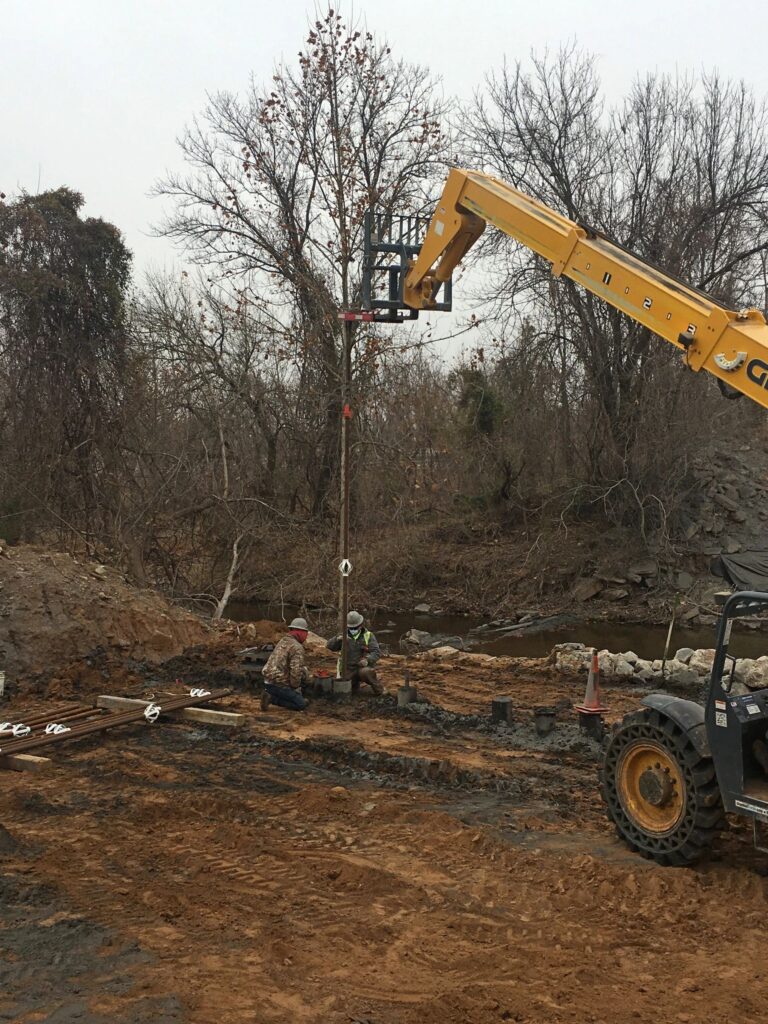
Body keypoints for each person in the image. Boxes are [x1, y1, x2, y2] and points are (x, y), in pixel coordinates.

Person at [327, 611, 384, 696]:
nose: (353, 630)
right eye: (351, 628)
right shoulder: (343, 635)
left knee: (368, 672)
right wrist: (337, 639)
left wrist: (367, 660)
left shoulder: (368, 635)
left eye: (355, 628)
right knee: (344, 689)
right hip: (348, 669)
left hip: (362, 668)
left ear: (360, 625)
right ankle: (355, 687)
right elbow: (329, 646)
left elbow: (376, 652)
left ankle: (380, 691)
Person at [261, 617, 310, 712]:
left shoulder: (283, 641)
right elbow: (295, 672)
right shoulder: (297, 647)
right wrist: (296, 688)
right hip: (279, 684)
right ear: (300, 632)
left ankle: (269, 695)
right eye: (306, 633)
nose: (306, 636)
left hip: (268, 682)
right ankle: (272, 699)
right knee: (300, 704)